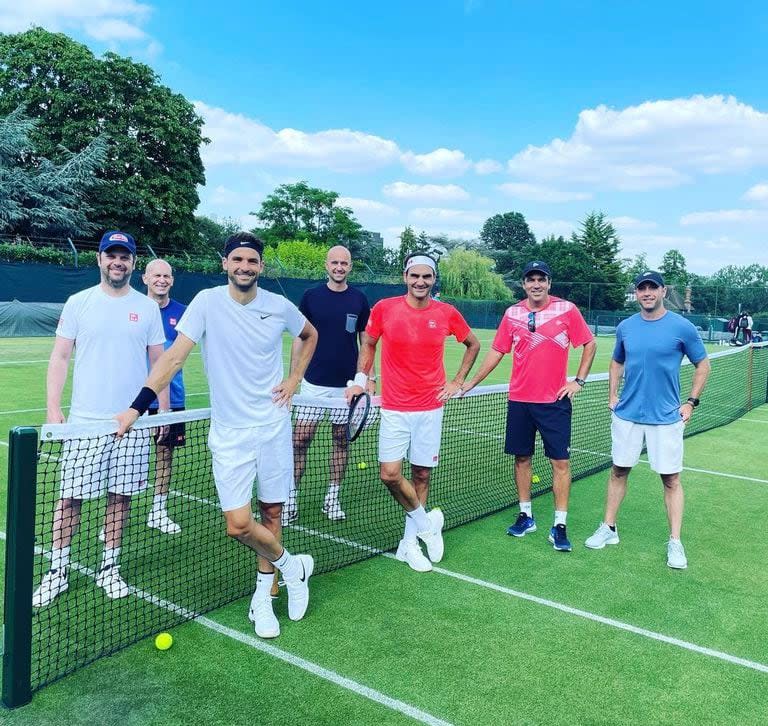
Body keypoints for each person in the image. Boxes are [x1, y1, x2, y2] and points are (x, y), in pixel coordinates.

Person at [115, 232, 318, 639]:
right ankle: (292, 565)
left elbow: (308, 334)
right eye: (237, 260)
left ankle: (264, 598)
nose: (245, 267)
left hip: (273, 425)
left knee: (272, 513)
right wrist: (137, 406)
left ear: (261, 267)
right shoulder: (206, 303)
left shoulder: (278, 306)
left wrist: (295, 378)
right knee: (239, 524)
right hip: (230, 433)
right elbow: (173, 357)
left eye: (252, 261)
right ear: (224, 263)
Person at [33, 231, 170, 607]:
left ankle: (109, 568)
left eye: (124, 256)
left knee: (120, 498)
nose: (118, 262)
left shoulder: (147, 308)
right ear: (99, 259)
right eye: (112, 255)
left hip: (133, 424)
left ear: (132, 263)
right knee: (69, 500)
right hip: (86, 423)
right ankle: (57, 571)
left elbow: (159, 364)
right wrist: (53, 408)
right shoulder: (79, 303)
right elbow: (60, 358)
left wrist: (163, 412)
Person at [345, 252, 480, 572]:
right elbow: (369, 344)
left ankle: (410, 544)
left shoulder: (447, 312)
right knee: (389, 474)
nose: (421, 282)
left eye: (427, 277)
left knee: (421, 474)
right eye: (415, 276)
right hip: (394, 408)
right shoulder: (384, 309)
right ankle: (427, 525)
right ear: (405, 277)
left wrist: (458, 381)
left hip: (431, 408)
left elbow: (473, 344)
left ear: (434, 280)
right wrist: (361, 381)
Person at [462, 261, 596, 552]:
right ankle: (526, 515)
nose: (536, 284)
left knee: (560, 463)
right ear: (523, 284)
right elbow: (497, 351)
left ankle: (559, 524)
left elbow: (589, 343)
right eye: (530, 279)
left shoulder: (567, 310)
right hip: (520, 400)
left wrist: (579, 381)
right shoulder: (513, 314)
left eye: (541, 279)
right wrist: (472, 382)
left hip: (554, 402)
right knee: (521, 459)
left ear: (549, 283)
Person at [585, 271, 711, 569]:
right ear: (637, 293)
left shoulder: (682, 327)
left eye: (652, 288)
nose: (647, 293)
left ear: (663, 291)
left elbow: (703, 365)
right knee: (618, 471)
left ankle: (675, 542)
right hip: (627, 415)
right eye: (642, 289)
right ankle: (609, 528)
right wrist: (612, 395)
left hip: (666, 418)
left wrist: (691, 402)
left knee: (671, 479)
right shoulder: (626, 327)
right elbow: (617, 361)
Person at [287, 245, 373, 524]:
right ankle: (290, 498)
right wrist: (293, 378)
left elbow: (367, 344)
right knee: (300, 440)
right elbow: (300, 339)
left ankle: (332, 498)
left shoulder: (360, 300)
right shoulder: (311, 296)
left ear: (350, 267)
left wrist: (366, 379)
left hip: (346, 387)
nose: (339, 267)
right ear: (327, 265)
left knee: (340, 440)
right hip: (313, 384)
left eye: (344, 263)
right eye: (334, 262)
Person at [144, 258, 188, 534]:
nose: (162, 280)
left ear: (172, 280)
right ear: (145, 279)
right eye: (156, 275)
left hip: (173, 399)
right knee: (126, 458)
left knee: (165, 455)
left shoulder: (184, 313)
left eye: (167, 276)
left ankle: (158, 511)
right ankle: (112, 520)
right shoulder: (133, 308)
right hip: (135, 399)